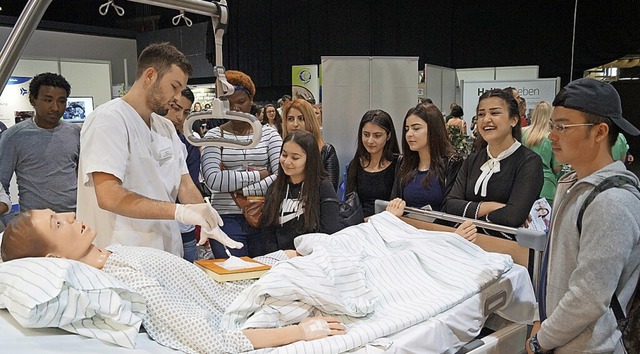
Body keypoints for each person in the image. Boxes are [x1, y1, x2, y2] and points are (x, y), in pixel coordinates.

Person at [0, 209, 346, 354]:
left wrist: (266, 261)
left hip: (237, 277)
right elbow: (214, 341)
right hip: (250, 298)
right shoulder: (123, 284)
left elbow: (193, 280)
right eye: (57, 224)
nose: (70, 215)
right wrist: (302, 332)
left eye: (57, 214)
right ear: (55, 260)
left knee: (311, 246)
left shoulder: (114, 254)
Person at [77, 42, 235, 257]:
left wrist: (204, 215)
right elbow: (109, 196)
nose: (177, 97)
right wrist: (180, 211)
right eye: (174, 87)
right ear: (150, 76)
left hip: (165, 254)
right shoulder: (109, 119)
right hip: (121, 254)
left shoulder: (166, 127)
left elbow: (184, 184)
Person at [528, 78, 640, 354]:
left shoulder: (611, 201)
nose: (551, 135)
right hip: (559, 338)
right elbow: (556, 264)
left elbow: (588, 297)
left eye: (562, 127)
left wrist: (541, 341)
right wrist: (539, 317)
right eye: (552, 125)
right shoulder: (572, 184)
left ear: (600, 131)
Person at [201, 70, 282, 259]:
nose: (235, 108)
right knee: (232, 274)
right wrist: (259, 175)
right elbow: (213, 180)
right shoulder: (214, 136)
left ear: (251, 100)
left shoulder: (269, 134)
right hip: (225, 217)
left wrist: (243, 191)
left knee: (265, 272)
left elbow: (280, 177)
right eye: (228, 103)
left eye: (241, 102)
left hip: (264, 214)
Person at [443, 89, 543, 238]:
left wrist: (471, 218)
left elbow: (513, 216)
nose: (486, 119)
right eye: (481, 114)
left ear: (514, 120)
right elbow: (450, 204)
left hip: (509, 251)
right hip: (468, 245)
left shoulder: (529, 162)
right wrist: (493, 207)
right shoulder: (472, 160)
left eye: (495, 113)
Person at [0, 72, 80, 223]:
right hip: (35, 225)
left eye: (61, 101)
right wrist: (11, 223)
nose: (55, 107)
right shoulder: (14, 136)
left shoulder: (75, 133)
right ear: (33, 99)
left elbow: (82, 177)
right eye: (48, 100)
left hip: (73, 220)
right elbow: (1, 185)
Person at [262, 130, 344, 253]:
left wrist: (299, 255)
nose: (287, 161)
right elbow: (267, 233)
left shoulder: (323, 187)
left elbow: (328, 232)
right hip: (280, 260)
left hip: (312, 259)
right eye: (284, 155)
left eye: (295, 158)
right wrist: (278, 257)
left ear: (310, 159)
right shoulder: (275, 188)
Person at [391, 104, 463, 212]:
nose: (409, 134)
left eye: (416, 128)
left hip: (439, 227)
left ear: (433, 129)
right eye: (407, 129)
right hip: (407, 225)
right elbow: (395, 200)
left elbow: (452, 208)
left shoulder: (452, 163)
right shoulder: (404, 163)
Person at [164, 87, 202, 262]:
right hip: (150, 229)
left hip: (183, 227)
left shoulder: (188, 143)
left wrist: (204, 214)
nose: (179, 117)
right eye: (176, 108)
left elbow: (187, 186)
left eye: (186, 112)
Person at [345, 109, 401, 217]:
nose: (370, 141)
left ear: (388, 136)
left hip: (388, 224)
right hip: (359, 225)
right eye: (366, 135)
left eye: (377, 136)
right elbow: (350, 205)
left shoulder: (398, 165)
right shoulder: (355, 164)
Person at [282, 98, 340, 191]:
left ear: (310, 121)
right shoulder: (283, 152)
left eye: (301, 119)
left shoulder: (326, 151)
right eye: (290, 119)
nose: (295, 124)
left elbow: (330, 192)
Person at [522, 101, 562, 205]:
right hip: (546, 187)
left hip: (524, 185)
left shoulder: (522, 133)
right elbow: (557, 167)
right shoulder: (551, 137)